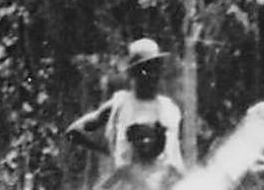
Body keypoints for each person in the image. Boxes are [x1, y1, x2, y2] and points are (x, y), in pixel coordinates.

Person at [66, 38, 187, 174]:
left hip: (165, 188)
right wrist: (108, 151)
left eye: (155, 68)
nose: (152, 75)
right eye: (145, 69)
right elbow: (74, 131)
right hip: (128, 188)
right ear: (133, 73)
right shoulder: (120, 104)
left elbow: (175, 156)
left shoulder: (169, 108)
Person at [96, 121, 186, 190]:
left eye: (149, 138)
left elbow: (189, 188)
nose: (145, 142)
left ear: (157, 141)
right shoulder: (128, 169)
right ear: (134, 143)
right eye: (140, 138)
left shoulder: (169, 169)